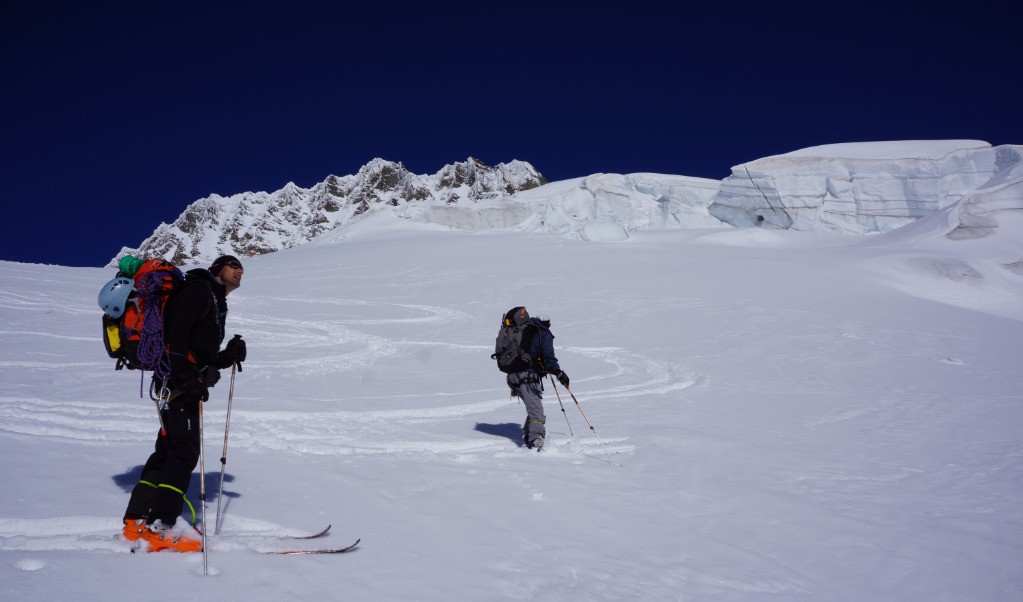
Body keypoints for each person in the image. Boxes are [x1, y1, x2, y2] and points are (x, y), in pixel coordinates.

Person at [121, 255, 248, 552]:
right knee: (184, 451)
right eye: (233, 264)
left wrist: (229, 354)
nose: (240, 269)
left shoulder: (215, 301)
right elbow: (177, 332)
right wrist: (183, 374)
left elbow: (202, 351)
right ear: (218, 270)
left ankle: (136, 520)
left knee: (167, 451)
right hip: (177, 380)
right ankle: (161, 525)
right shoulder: (198, 289)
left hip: (178, 379)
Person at [503, 307, 569, 451]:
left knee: (533, 408)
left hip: (513, 376)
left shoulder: (525, 330)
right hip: (527, 377)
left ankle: (528, 437)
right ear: (547, 323)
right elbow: (548, 357)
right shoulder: (543, 333)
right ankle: (536, 443)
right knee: (536, 412)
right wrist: (559, 373)